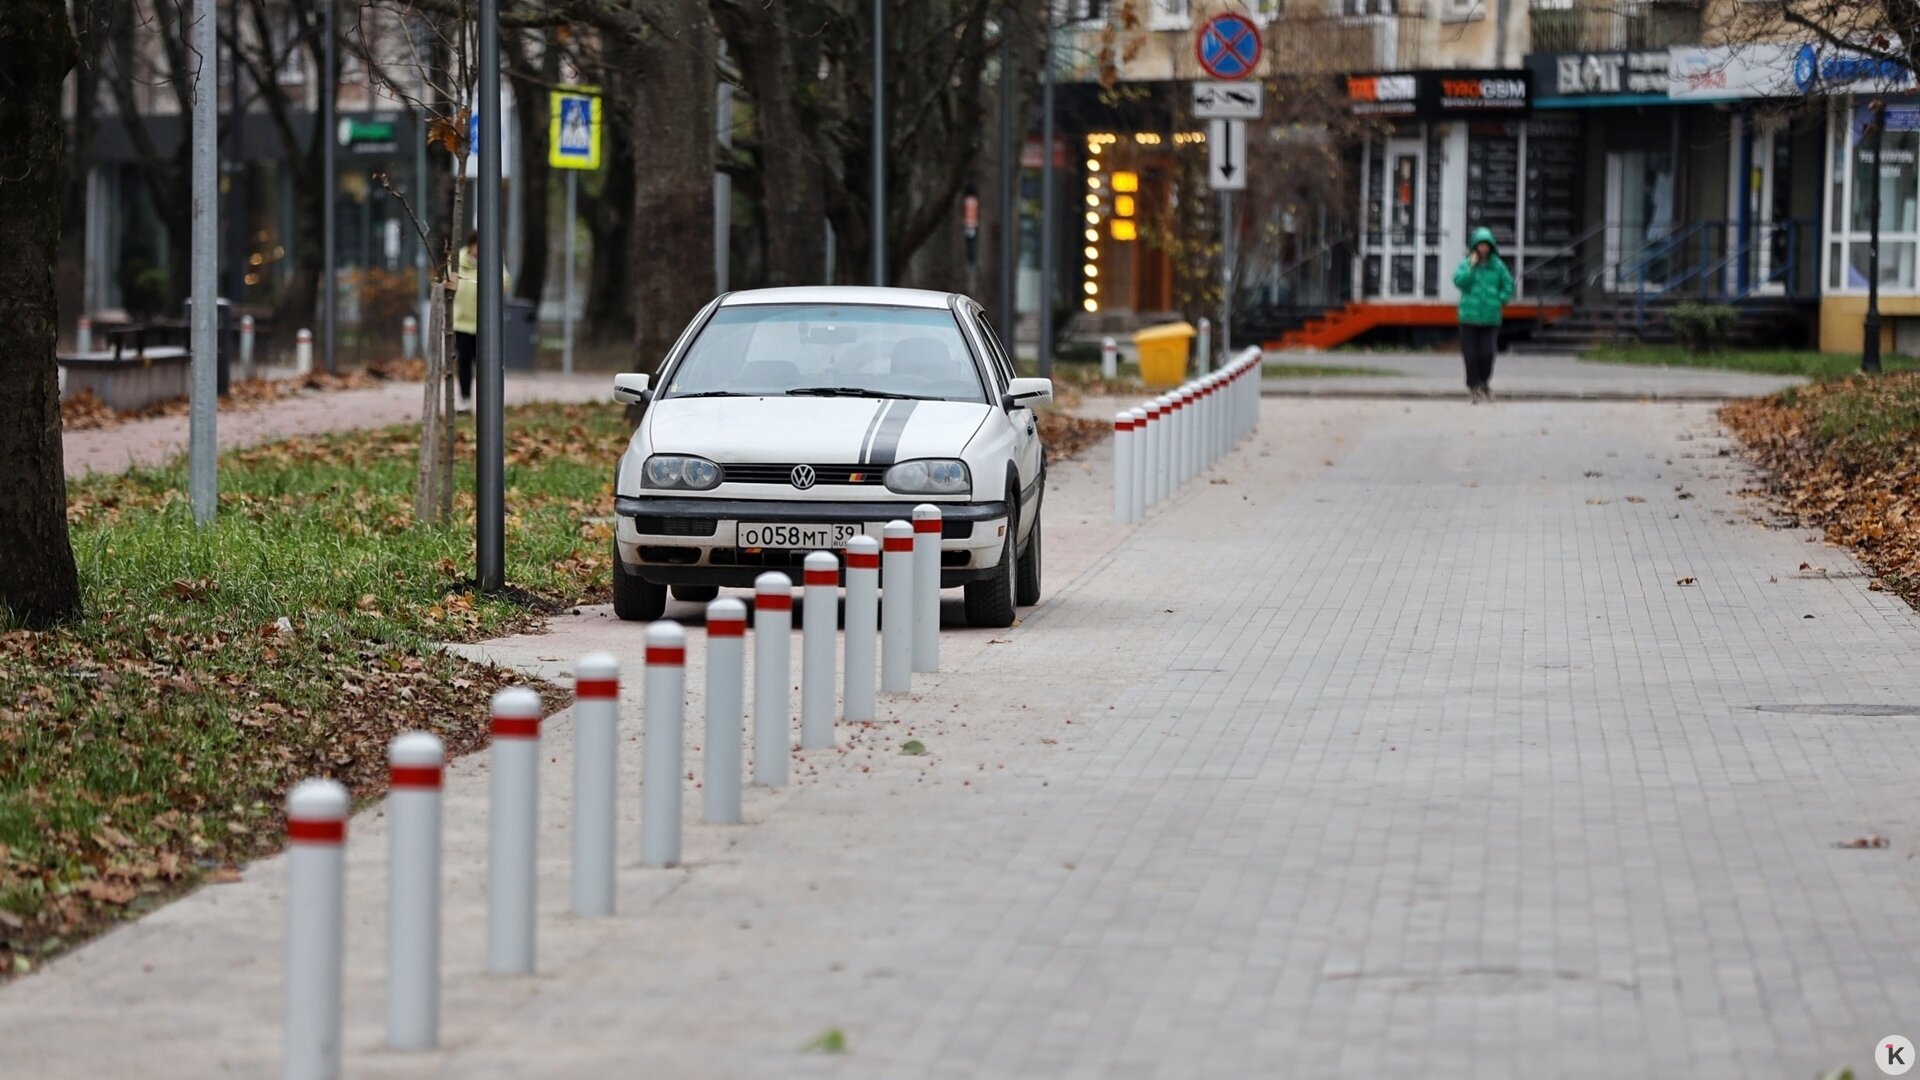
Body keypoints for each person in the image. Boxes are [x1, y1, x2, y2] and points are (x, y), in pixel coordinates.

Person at [445, 230, 511, 414]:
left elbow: (505, 282)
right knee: (464, 362)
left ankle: (488, 403)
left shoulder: (493, 259)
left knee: (486, 364)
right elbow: (449, 281)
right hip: (462, 322)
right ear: (471, 244)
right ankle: (465, 400)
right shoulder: (458, 260)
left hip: (485, 324)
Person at [1452, 226, 1513, 403]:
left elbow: (1508, 285)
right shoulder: (1467, 263)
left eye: (1486, 245)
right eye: (1480, 245)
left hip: (1491, 318)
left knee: (1487, 353)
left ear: (1491, 247)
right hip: (1469, 318)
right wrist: (1471, 266)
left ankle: (1484, 382)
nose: (1483, 249)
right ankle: (1474, 386)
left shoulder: (1498, 266)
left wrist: (1500, 299)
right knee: (1470, 355)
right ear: (1475, 246)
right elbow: (1459, 282)